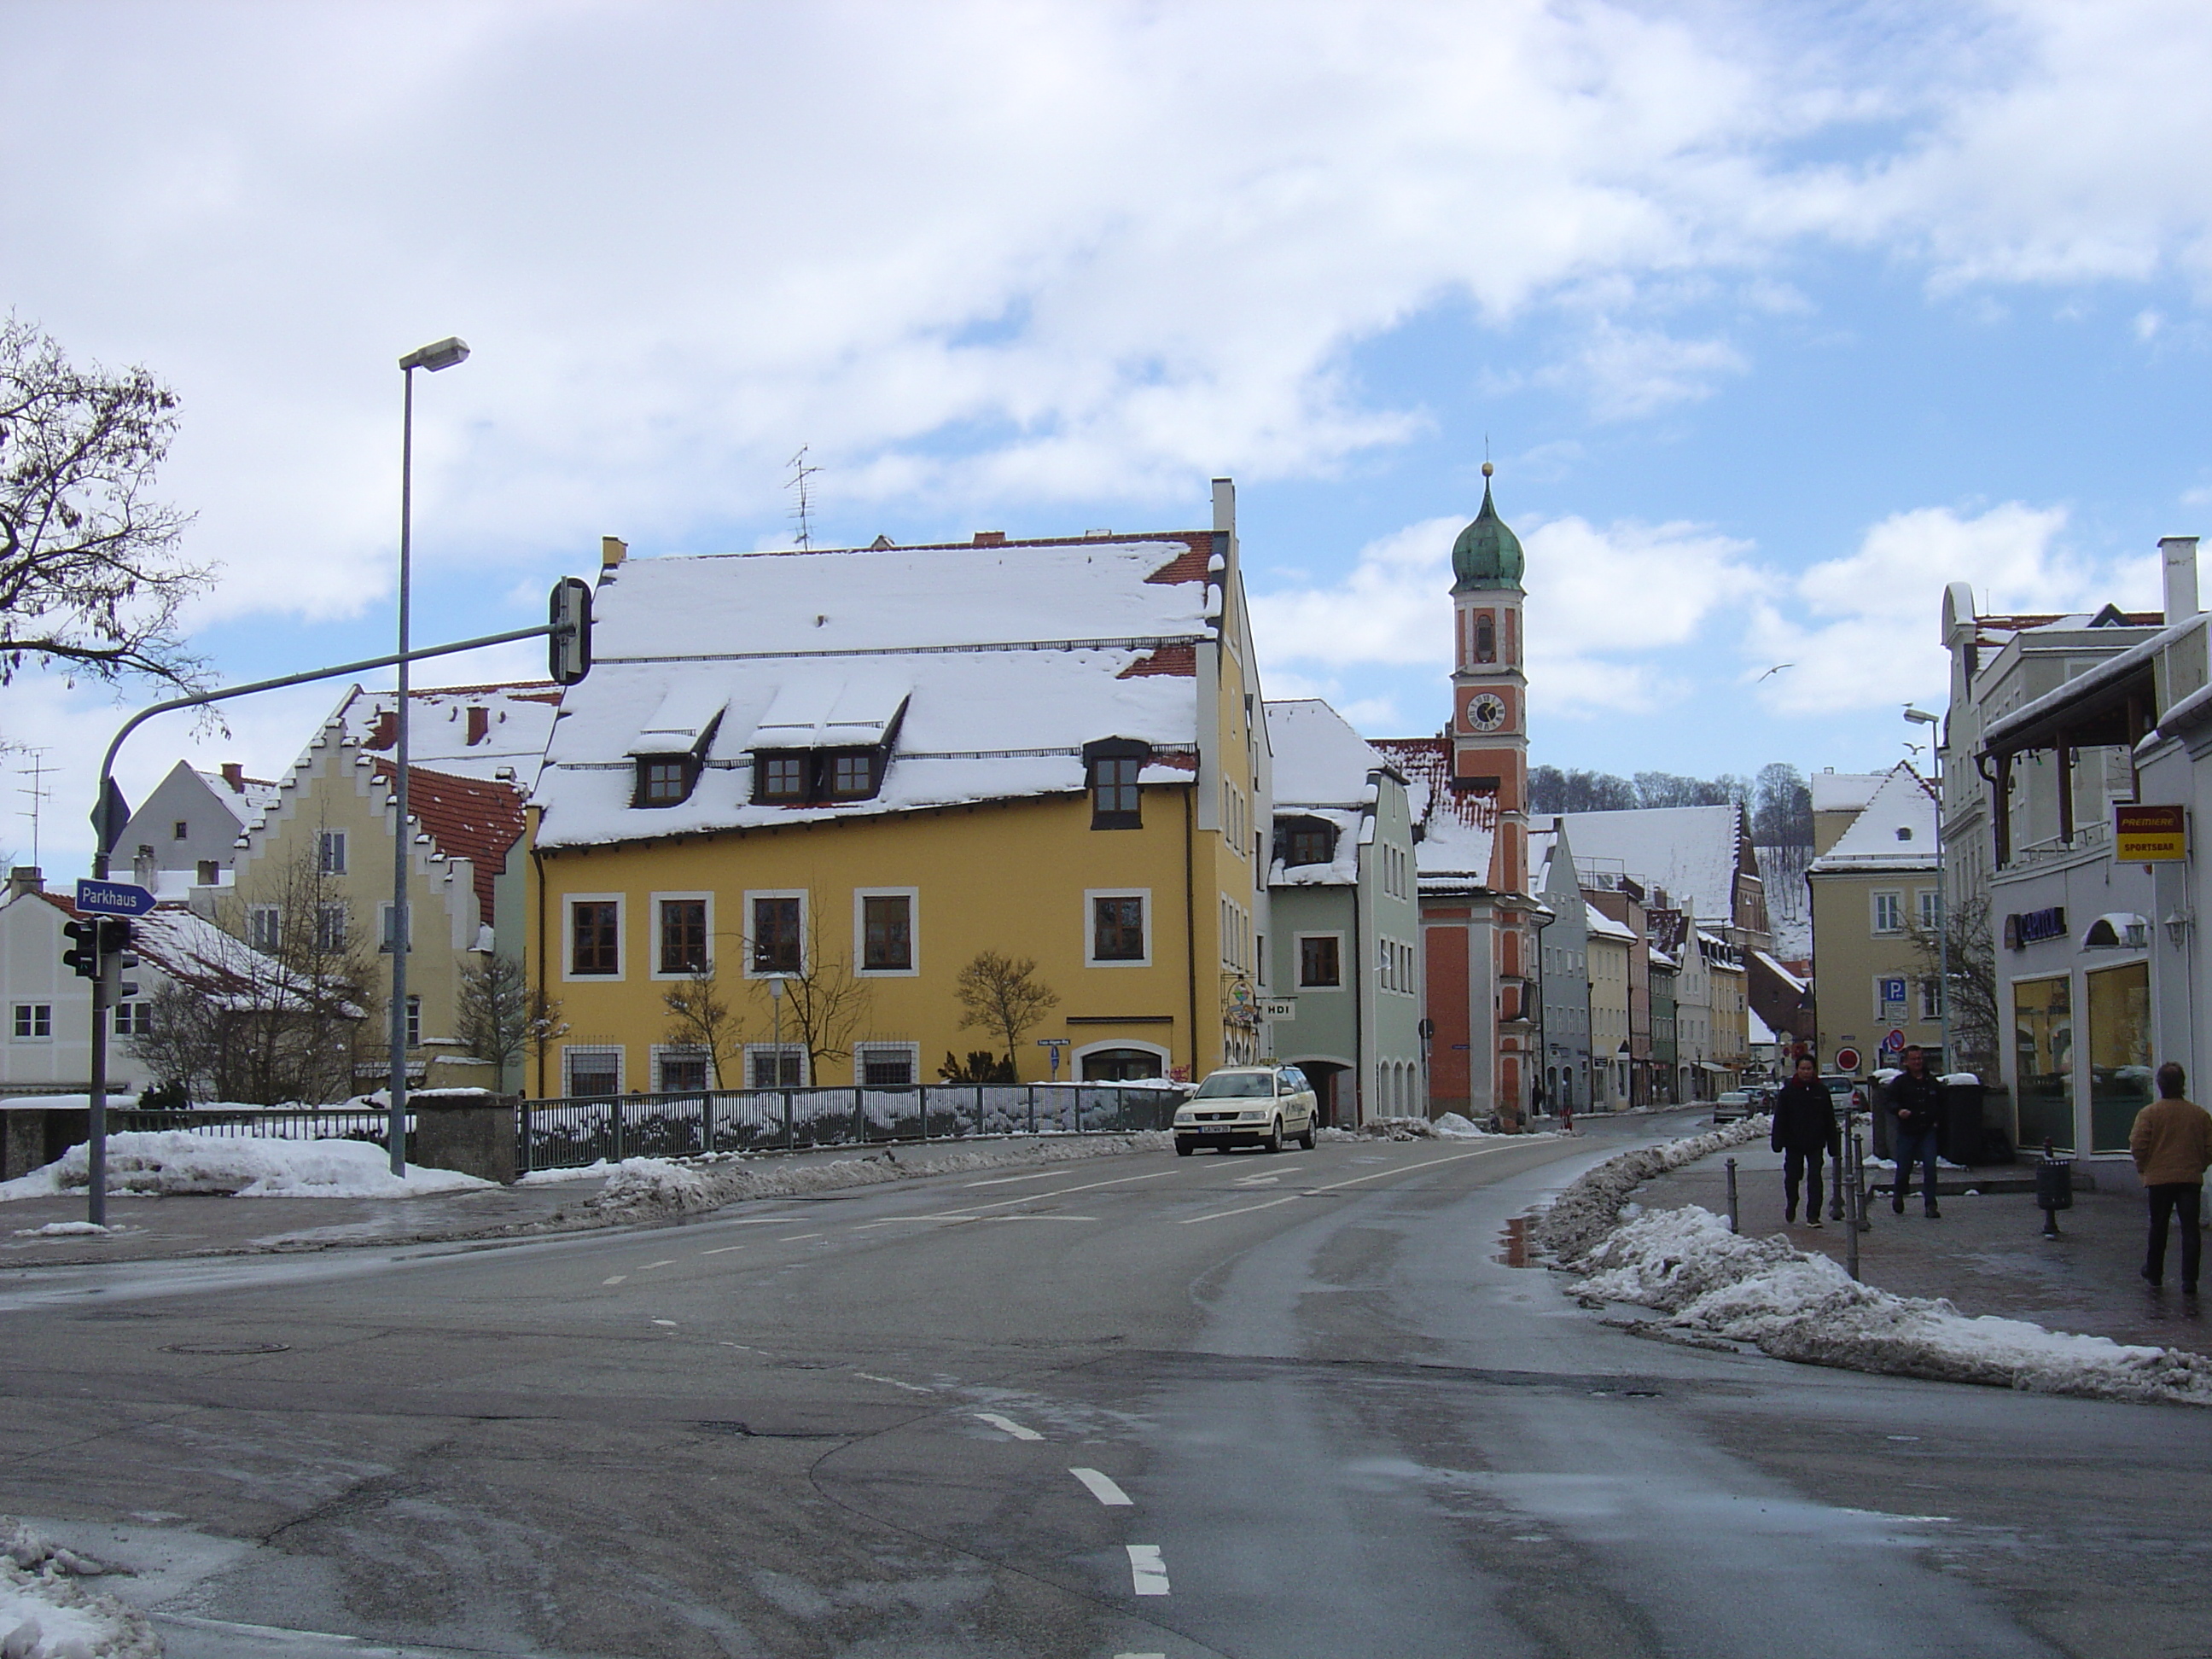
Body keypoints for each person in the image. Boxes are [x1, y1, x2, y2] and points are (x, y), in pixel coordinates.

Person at [2129, 1062, 2212, 1294]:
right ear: (2183, 1085)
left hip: (2159, 1179)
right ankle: (2189, 1280)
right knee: (2190, 1229)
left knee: (2158, 1226)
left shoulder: (2149, 1114)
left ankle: (2155, 1273)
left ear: (2160, 1085)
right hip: (2190, 1178)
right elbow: (2209, 1147)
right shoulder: (2199, 1115)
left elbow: (2138, 1144)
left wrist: (2145, 1168)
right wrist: (2199, 1166)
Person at [1771, 1055, 1840, 1226]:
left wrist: (1833, 1144)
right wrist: (1777, 1141)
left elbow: (1829, 1119)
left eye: (1809, 1069)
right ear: (1797, 1070)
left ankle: (1813, 1215)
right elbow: (1780, 1118)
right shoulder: (1788, 1092)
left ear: (1814, 1070)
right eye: (1803, 1069)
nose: (1806, 1072)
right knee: (1793, 1177)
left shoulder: (1821, 1091)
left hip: (1815, 1142)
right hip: (1793, 1143)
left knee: (1815, 1178)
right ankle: (1792, 1203)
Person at [1889, 1044, 1945, 1219]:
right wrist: (1899, 1111)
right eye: (1913, 1059)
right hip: (1908, 1131)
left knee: (1930, 1166)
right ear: (1906, 1062)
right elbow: (1889, 1101)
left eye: (1919, 1058)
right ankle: (1898, 1194)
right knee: (1904, 1167)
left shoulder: (1931, 1081)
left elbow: (1942, 1102)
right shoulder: (1900, 1083)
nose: (1917, 1062)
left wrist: (1937, 1120)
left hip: (1927, 1130)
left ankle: (1930, 1204)